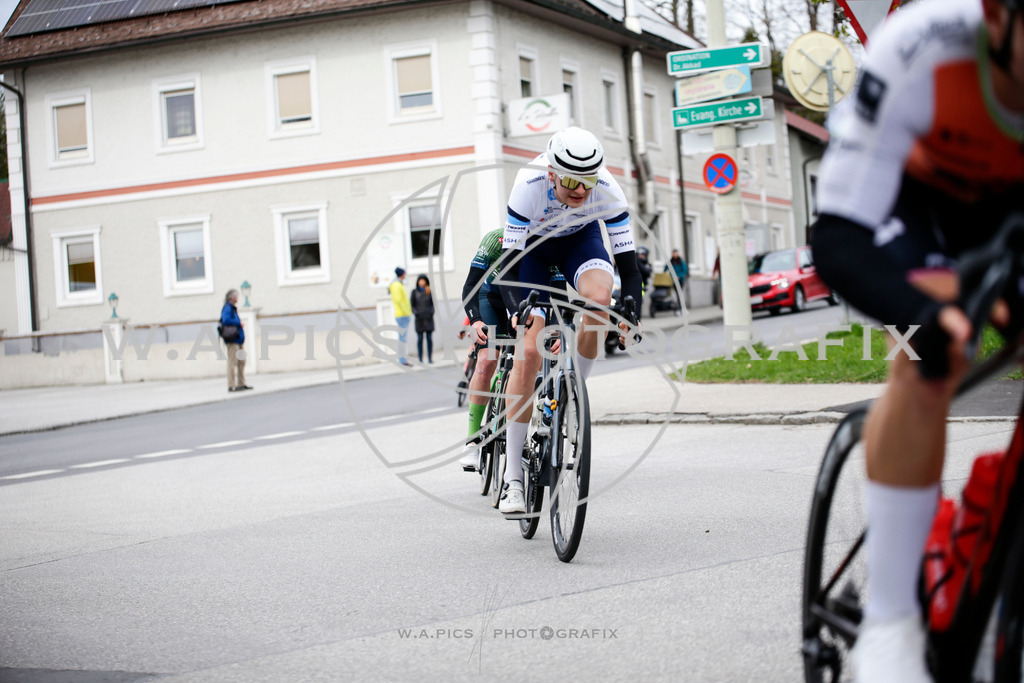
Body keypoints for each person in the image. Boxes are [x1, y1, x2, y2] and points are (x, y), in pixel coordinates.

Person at [810, 0, 1024, 680]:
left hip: (1009, 208)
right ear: (998, 18)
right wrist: (919, 314)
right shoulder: (922, 49)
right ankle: (891, 620)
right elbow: (839, 238)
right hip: (912, 204)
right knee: (929, 355)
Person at [495, 126, 642, 514]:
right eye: (572, 182)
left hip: (580, 241)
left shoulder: (608, 189)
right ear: (552, 174)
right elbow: (508, 264)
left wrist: (633, 312)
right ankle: (513, 479)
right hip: (532, 252)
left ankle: (570, 392)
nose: (581, 190)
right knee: (529, 352)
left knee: (600, 302)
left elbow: (629, 266)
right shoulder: (528, 183)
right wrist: (517, 309)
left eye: (588, 181)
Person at [456, 228, 566, 471]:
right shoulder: (495, 241)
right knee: (486, 361)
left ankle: (528, 421)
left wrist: (557, 329)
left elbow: (560, 295)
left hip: (529, 303)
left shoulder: (549, 243)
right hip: (492, 300)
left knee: (532, 360)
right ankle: (473, 440)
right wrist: (475, 320)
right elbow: (470, 285)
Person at [220, 289, 251, 392]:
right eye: (236, 296)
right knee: (232, 362)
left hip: (238, 339)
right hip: (232, 339)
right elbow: (226, 320)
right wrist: (238, 323)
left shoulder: (232, 308)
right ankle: (231, 385)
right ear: (232, 297)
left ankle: (241, 383)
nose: (237, 298)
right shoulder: (227, 308)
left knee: (242, 361)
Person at [389, 267, 412, 367]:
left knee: (402, 338)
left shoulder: (398, 284)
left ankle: (402, 358)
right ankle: (402, 359)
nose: (405, 275)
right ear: (401, 274)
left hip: (403, 314)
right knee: (402, 338)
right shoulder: (396, 285)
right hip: (402, 315)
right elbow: (398, 300)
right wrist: (405, 312)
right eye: (404, 273)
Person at [410, 274, 435, 364]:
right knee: (420, 339)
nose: (422, 282)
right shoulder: (414, 292)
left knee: (429, 339)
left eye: (423, 280)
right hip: (419, 319)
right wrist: (417, 313)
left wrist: (431, 312)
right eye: (420, 280)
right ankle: (420, 358)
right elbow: (412, 305)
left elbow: (432, 304)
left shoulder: (428, 291)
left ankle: (430, 358)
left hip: (428, 318)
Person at [635, 246, 653, 320]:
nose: (643, 257)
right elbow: (646, 272)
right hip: (638, 287)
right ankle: (637, 321)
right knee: (638, 304)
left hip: (640, 287)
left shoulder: (639, 262)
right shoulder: (638, 261)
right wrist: (649, 269)